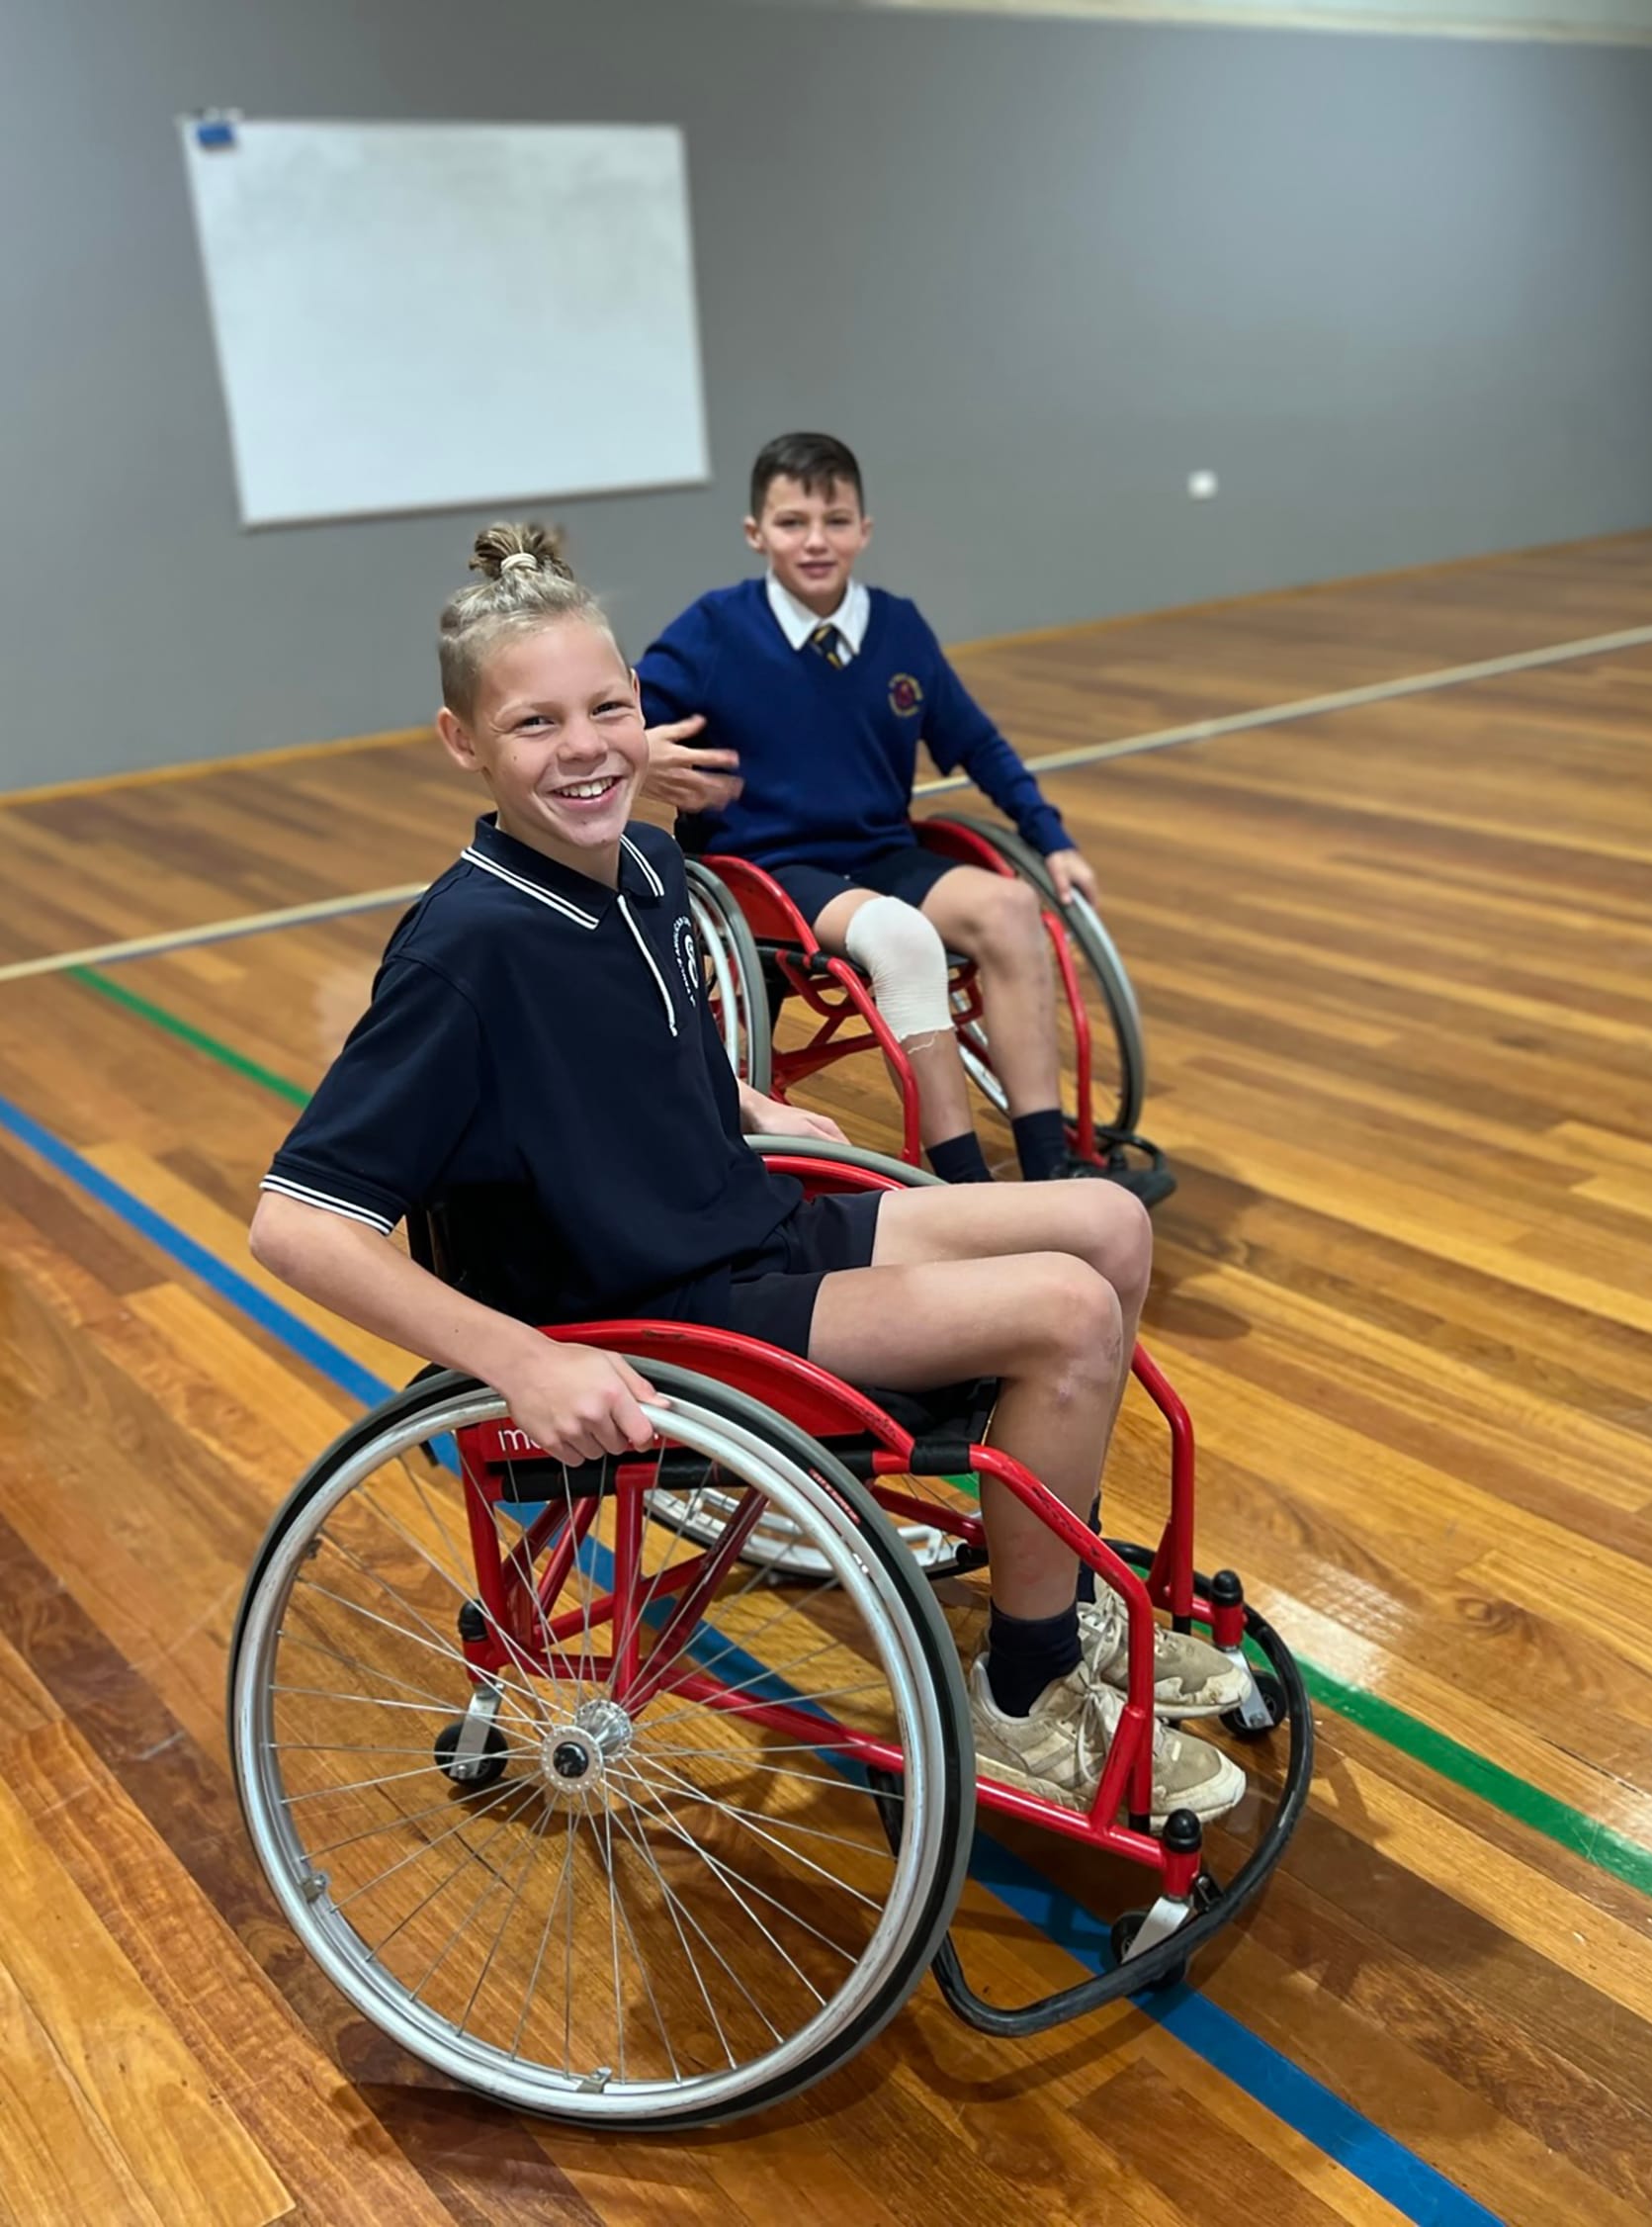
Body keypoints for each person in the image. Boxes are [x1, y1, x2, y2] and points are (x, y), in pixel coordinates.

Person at [248, 523, 1247, 1817]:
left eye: (608, 709)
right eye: (535, 724)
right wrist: (523, 1360)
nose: (587, 747)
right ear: (465, 746)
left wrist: (748, 1096)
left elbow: (626, 1045)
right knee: (1061, 1311)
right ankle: (1021, 1693)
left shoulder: (650, 868)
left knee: (1107, 1223)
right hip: (652, 1309)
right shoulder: (467, 954)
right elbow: (295, 1224)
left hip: (741, 1223)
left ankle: (1051, 1601)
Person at [637, 430, 1106, 1189]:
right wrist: (641, 753)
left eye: (835, 520)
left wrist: (1050, 837)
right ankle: (964, 1190)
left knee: (1013, 909)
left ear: (864, 529)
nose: (815, 541)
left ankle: (1050, 1169)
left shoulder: (898, 627)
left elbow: (979, 744)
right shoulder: (715, 629)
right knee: (902, 938)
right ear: (756, 533)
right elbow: (609, 711)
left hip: (881, 852)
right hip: (769, 867)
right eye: (792, 523)